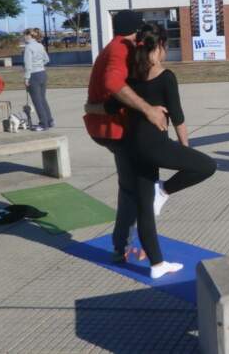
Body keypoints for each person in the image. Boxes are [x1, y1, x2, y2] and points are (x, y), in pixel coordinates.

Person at [94, 23, 217, 279]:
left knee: (144, 210)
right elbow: (178, 118)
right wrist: (185, 151)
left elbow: (108, 107)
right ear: (160, 46)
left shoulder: (129, 78)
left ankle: (157, 265)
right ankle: (163, 190)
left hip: (131, 148)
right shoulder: (165, 76)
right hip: (155, 146)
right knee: (207, 166)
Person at [83, 10, 169, 268]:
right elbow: (112, 82)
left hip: (107, 128)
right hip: (116, 131)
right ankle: (130, 245)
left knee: (130, 189)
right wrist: (147, 108)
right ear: (136, 30)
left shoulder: (113, 46)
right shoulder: (121, 48)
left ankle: (123, 245)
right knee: (136, 191)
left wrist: (97, 108)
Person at [23, 28, 54, 131]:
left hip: (33, 75)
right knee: (42, 99)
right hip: (42, 73)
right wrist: (39, 65)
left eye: (25, 35)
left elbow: (28, 65)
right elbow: (47, 59)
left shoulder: (28, 47)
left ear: (29, 36)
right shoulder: (40, 45)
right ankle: (49, 121)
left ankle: (43, 123)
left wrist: (26, 78)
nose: (24, 37)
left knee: (37, 101)